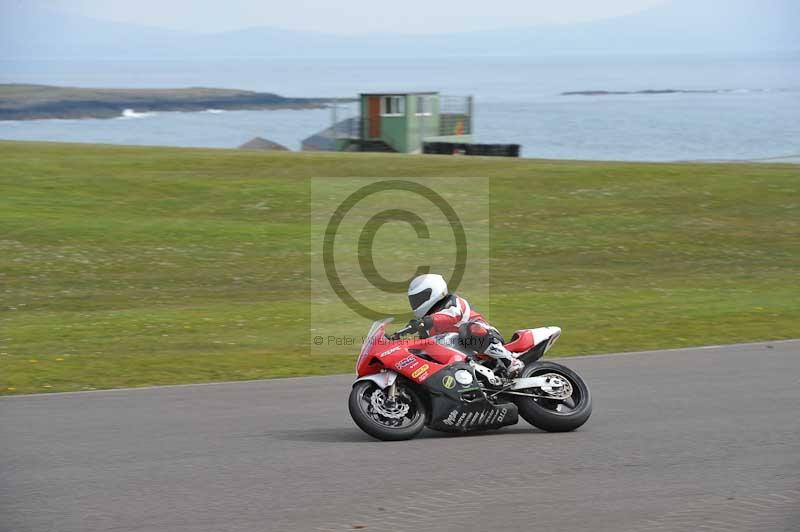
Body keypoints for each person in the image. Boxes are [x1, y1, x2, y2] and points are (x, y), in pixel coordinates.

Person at [404, 273, 524, 376]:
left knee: (467, 329)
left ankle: (510, 361)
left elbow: (452, 315)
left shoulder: (453, 302)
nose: (416, 302)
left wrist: (425, 322)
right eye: (414, 300)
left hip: (484, 339)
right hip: (461, 357)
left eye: (419, 298)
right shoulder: (426, 325)